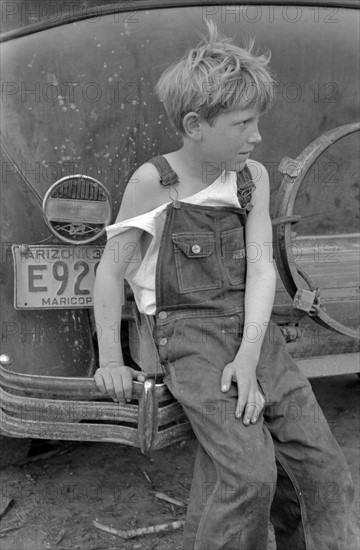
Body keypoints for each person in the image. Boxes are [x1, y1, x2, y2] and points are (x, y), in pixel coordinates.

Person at [93, 22, 354, 550]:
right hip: (187, 336)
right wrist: (110, 358)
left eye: (258, 121)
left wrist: (251, 358)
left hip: (252, 327)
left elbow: (260, 271)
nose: (257, 135)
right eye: (243, 123)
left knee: (324, 468)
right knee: (249, 476)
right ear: (195, 124)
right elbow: (109, 271)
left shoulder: (251, 177)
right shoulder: (153, 182)